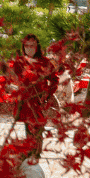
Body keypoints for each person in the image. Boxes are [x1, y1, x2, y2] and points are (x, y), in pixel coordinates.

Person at [13, 33, 56, 161]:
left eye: (32, 46)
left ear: (37, 47)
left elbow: (54, 80)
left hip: (39, 100)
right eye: (27, 46)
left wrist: (47, 94)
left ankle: (36, 154)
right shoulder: (19, 62)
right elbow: (17, 79)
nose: (29, 48)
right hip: (25, 100)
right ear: (23, 47)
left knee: (38, 127)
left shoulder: (45, 62)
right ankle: (30, 153)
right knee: (28, 127)